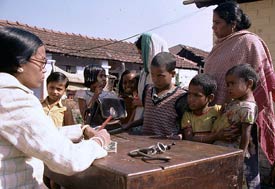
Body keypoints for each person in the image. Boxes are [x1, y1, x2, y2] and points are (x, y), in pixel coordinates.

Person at [0, 26, 111, 188]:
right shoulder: (13, 95)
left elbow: (36, 132)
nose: (43, 69)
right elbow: (67, 160)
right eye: (41, 62)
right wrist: (98, 141)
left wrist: (81, 130)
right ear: (19, 63)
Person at [204, 1, 275, 169]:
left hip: (244, 119)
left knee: (243, 170)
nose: (213, 28)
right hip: (218, 120)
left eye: (217, 23)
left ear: (233, 24)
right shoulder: (218, 47)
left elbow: (260, 81)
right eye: (212, 23)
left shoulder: (249, 42)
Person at [211, 64, 260, 188]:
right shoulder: (236, 102)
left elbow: (246, 134)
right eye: (227, 84)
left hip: (232, 153)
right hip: (223, 150)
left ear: (249, 83)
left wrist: (240, 155)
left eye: (232, 84)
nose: (229, 88)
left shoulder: (248, 107)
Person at [125, 52, 186, 138]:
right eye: (152, 75)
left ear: (172, 74)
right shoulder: (148, 90)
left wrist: (179, 136)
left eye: (160, 76)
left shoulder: (180, 97)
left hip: (166, 146)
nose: (155, 79)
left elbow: (184, 127)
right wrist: (130, 124)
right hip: (145, 142)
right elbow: (148, 118)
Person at [181, 73, 221, 143]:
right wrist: (215, 136)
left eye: (196, 95)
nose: (191, 99)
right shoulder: (188, 116)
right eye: (189, 94)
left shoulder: (217, 111)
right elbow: (189, 139)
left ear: (210, 98)